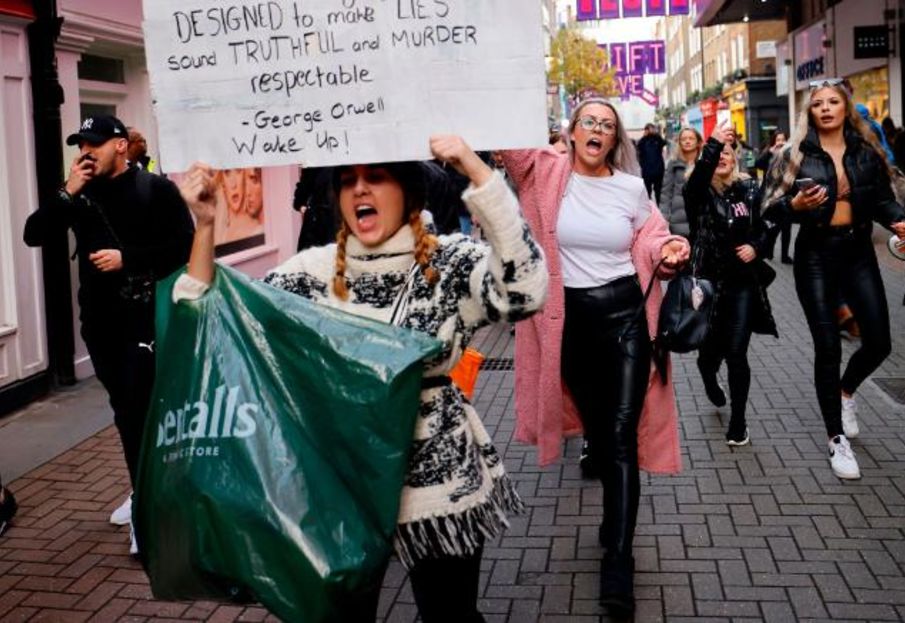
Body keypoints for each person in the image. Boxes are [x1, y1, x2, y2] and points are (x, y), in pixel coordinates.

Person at [176, 134, 547, 622]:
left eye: (376, 177)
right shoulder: (310, 272)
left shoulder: (449, 262)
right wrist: (204, 226)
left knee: (451, 616)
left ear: (409, 193)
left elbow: (523, 293)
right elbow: (212, 322)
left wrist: (476, 170)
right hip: (341, 488)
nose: (359, 191)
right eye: (348, 180)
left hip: (437, 483)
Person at [502, 99, 690, 617]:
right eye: (590, 121)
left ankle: (619, 564)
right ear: (572, 130)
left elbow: (653, 237)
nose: (598, 130)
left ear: (615, 140)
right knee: (601, 434)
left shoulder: (630, 188)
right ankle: (614, 510)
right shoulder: (544, 173)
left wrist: (671, 250)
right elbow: (502, 143)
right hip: (569, 327)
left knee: (624, 432)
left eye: (607, 126)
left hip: (626, 318)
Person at [23, 115, 195, 550]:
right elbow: (33, 234)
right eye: (81, 144)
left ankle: (148, 510)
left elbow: (184, 247)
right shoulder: (81, 194)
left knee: (139, 407)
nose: (85, 151)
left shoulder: (155, 189)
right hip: (98, 323)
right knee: (124, 407)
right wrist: (67, 191)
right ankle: (144, 491)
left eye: (94, 143)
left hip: (144, 317)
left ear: (119, 146)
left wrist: (128, 259)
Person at [761, 79, 905, 480]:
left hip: (858, 253)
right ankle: (835, 439)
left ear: (846, 108)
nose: (825, 108)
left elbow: (881, 199)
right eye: (817, 104)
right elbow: (768, 210)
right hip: (815, 256)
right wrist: (792, 204)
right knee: (827, 346)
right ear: (809, 112)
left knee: (879, 341)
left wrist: (900, 222)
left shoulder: (865, 152)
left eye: (833, 102)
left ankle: (846, 391)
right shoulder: (793, 155)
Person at [683, 120, 777, 447]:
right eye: (716, 151)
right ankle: (707, 372)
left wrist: (758, 245)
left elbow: (769, 221)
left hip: (742, 286)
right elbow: (696, 183)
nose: (722, 155)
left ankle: (738, 422)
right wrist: (713, 142)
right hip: (707, 285)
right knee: (710, 353)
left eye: (728, 150)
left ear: (735, 157)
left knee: (737, 352)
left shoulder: (751, 188)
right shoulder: (697, 191)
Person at [754, 131, 793, 263]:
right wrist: (769, 153)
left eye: (783, 139)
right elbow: (757, 164)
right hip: (769, 196)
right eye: (778, 140)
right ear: (773, 142)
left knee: (786, 227)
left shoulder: (790, 154)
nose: (780, 142)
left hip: (785, 195)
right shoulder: (769, 154)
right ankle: (769, 250)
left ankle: (785, 256)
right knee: (773, 227)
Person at [659, 127, 702, 237]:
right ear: (679, 142)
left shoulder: (704, 164)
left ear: (698, 142)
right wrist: (663, 218)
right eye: (684, 139)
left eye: (691, 138)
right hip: (677, 221)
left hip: (701, 219)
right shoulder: (673, 164)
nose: (687, 141)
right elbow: (666, 193)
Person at [292, 166, 339, 250]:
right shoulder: (314, 164)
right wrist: (305, 209)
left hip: (337, 223)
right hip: (317, 223)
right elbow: (301, 196)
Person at [636, 122, 667, 202]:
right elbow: (638, 147)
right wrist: (644, 136)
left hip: (658, 171)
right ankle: (649, 210)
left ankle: (659, 209)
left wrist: (656, 134)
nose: (650, 131)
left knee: (659, 192)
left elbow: (664, 142)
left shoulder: (657, 139)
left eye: (651, 129)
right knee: (647, 193)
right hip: (647, 171)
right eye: (648, 129)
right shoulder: (643, 141)